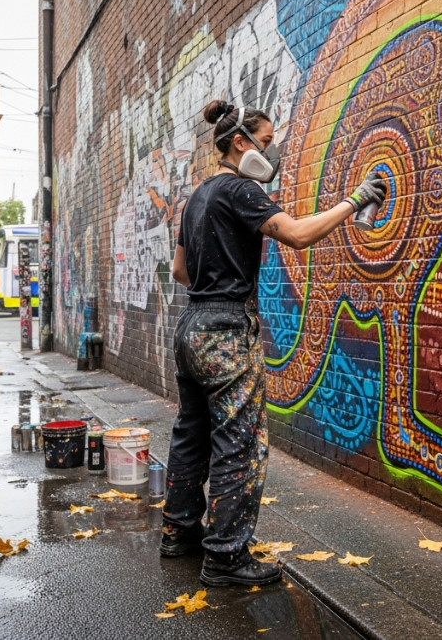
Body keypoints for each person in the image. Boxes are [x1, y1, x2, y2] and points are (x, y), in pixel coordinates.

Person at [161, 99, 387, 587]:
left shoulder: (197, 197)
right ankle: (224, 556)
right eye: (266, 141)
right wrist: (356, 199)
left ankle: (179, 534)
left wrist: (212, 282)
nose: (272, 150)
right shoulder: (241, 190)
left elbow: (180, 271)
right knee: (239, 442)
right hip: (225, 333)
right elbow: (299, 235)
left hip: (191, 327)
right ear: (240, 143)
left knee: (191, 433)